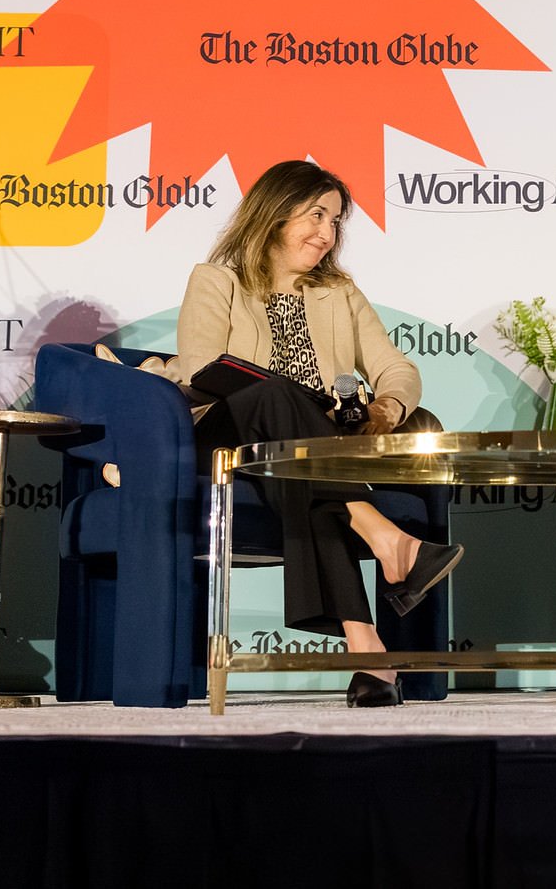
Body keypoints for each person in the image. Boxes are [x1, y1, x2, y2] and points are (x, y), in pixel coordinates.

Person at [163, 160, 462, 708]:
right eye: (317, 215)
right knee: (276, 397)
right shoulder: (217, 279)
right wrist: (292, 398)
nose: (327, 233)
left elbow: (396, 367)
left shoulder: (339, 292)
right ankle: (384, 534)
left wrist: (388, 406)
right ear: (275, 212)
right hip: (224, 441)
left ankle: (368, 653)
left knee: (316, 490)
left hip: (302, 457)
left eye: (336, 221)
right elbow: (204, 368)